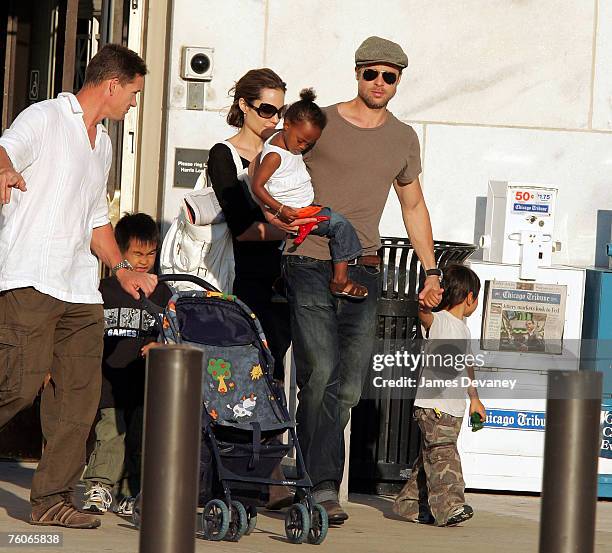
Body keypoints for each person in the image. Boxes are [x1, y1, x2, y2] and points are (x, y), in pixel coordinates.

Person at [264, 36, 443, 524]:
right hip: (308, 258)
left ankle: (308, 473)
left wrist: (430, 270)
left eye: (390, 76)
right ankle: (320, 485)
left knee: (350, 386)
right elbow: (268, 158)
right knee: (318, 372)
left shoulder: (403, 137)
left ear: (400, 81)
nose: (380, 83)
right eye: (372, 74)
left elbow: (412, 204)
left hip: (364, 265)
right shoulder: (320, 122)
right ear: (357, 73)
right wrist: (274, 214)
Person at [0, 44, 156, 529]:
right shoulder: (46, 117)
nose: (133, 105)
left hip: (81, 292)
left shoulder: (104, 145)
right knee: (17, 386)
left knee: (80, 398)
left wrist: (124, 266)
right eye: (133, 94)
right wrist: (5, 168)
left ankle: (50, 499)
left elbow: (95, 220)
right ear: (112, 85)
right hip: (30, 278)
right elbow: (6, 148)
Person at [206, 68, 293, 510]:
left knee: (272, 377)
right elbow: (242, 227)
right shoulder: (225, 156)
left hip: (283, 283)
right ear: (243, 105)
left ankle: (270, 474)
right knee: (236, 380)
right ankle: (235, 475)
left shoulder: (287, 156)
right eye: (266, 109)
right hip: (240, 286)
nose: (274, 119)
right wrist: (294, 230)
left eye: (280, 110)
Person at [83, 213, 172, 516]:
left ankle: (128, 492)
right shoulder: (102, 290)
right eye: (137, 253)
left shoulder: (163, 292)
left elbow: (172, 332)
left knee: (139, 438)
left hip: (145, 383)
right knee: (110, 433)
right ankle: (99, 485)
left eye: (151, 253)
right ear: (119, 253)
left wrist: (160, 345)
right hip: (110, 381)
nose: (144, 261)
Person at [393, 264, 487, 526]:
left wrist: (475, 399)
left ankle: (409, 504)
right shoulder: (440, 321)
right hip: (434, 407)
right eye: (477, 297)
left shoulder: (463, 329)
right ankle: (451, 506)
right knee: (444, 455)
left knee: (432, 456)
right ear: (470, 297)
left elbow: (467, 367)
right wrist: (424, 303)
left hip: (452, 409)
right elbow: (425, 316)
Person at [250, 88, 367, 300]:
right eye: (301, 140)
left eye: (309, 144)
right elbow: (257, 186)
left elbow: (267, 133)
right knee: (340, 225)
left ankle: (281, 281)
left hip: (300, 208)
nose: (303, 147)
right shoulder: (275, 157)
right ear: (286, 125)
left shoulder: (277, 136)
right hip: (297, 213)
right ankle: (340, 280)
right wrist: (280, 210)